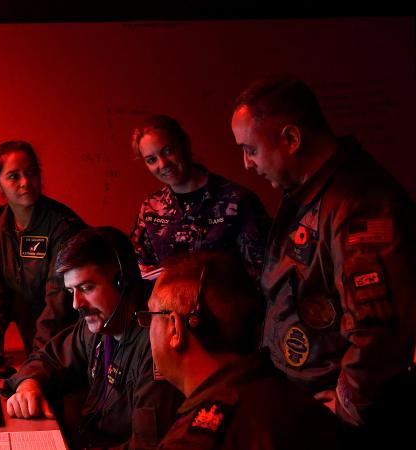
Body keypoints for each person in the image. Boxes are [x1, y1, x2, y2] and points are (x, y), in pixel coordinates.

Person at [231, 75, 416, 446]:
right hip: (299, 398)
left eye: (251, 149)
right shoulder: (306, 191)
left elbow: (379, 327)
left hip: (335, 420)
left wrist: (348, 408)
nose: (247, 164)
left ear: (291, 139)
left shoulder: (358, 203)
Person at [4, 227, 182, 449]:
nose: (76, 304)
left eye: (86, 288)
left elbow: (147, 446)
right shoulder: (96, 327)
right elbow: (48, 358)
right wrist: (28, 385)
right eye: (71, 292)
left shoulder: (157, 344)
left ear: (122, 282)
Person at [146, 252, 340, 449]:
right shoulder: (302, 404)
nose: (147, 329)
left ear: (174, 329)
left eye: (150, 316)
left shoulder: (189, 442)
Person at [0, 140, 86, 369]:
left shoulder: (64, 227)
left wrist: (36, 360)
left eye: (32, 173)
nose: (26, 182)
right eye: (14, 176)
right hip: (36, 351)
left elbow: (59, 304)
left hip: (71, 347)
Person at [130, 114, 270, 280]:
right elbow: (141, 269)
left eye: (168, 151)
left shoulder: (237, 201)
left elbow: (261, 273)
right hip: (166, 305)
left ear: (185, 144)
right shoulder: (151, 209)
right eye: (151, 160)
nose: (162, 164)